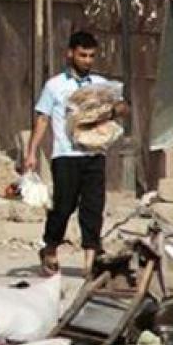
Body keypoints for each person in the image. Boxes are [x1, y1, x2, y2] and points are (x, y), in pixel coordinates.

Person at [23, 31, 129, 277]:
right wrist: (31, 152)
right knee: (63, 206)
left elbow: (122, 108)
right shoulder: (55, 86)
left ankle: (90, 261)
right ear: (70, 53)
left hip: (94, 154)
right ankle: (50, 247)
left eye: (91, 56)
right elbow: (42, 119)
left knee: (93, 208)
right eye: (83, 55)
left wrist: (114, 109)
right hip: (66, 156)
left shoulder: (100, 85)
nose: (87, 60)